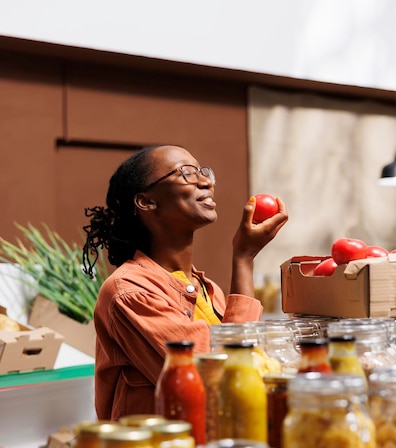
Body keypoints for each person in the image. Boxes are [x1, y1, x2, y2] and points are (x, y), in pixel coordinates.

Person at [82, 144, 288, 421]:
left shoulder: (207, 289)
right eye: (186, 173)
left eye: (204, 172)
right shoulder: (130, 292)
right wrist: (243, 258)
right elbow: (222, 378)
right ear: (146, 202)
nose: (206, 181)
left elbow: (245, 365)